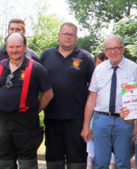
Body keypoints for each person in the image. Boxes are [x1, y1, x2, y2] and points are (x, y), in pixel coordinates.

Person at [0, 33, 53, 168]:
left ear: (25, 47)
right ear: (6, 48)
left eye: (18, 46)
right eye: (10, 47)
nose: (14, 50)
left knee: (27, 163)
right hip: (2, 122)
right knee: (4, 161)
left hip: (26, 123)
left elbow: (48, 94)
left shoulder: (36, 68)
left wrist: (34, 109)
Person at [40, 22, 96, 168]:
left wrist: (88, 123)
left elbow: (94, 89)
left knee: (77, 162)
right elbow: (37, 84)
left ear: (76, 37)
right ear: (59, 35)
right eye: (65, 34)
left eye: (72, 34)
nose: (68, 37)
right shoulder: (46, 55)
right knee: (53, 161)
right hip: (52, 118)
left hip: (76, 119)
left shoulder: (85, 57)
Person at [81, 35, 137, 169]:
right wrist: (86, 126)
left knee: (123, 162)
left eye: (116, 48)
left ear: (123, 49)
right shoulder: (99, 69)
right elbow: (92, 98)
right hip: (101, 119)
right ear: (105, 51)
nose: (112, 52)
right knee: (100, 162)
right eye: (108, 49)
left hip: (124, 121)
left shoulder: (133, 68)